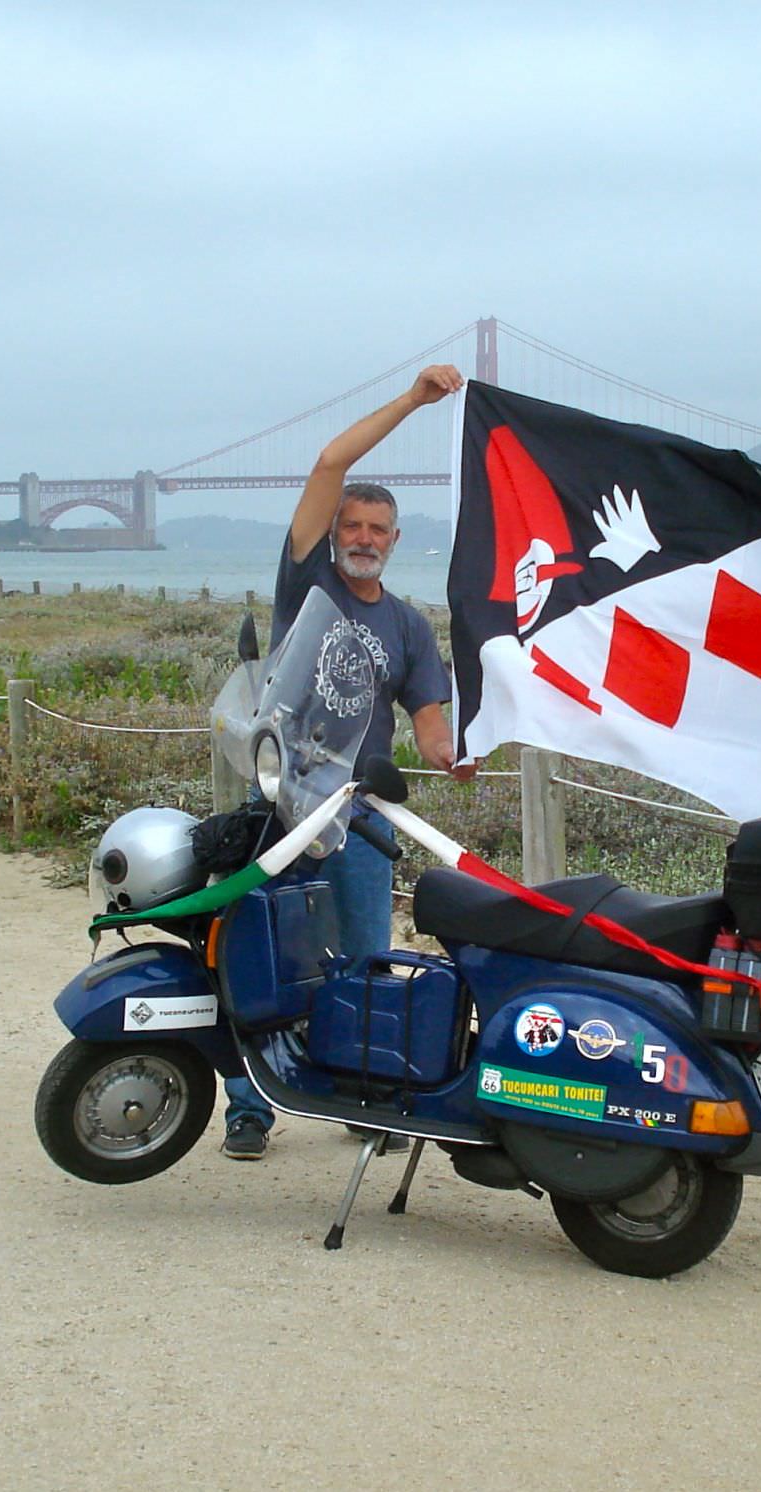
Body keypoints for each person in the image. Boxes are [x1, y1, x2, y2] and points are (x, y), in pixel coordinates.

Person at [222, 363, 473, 1161]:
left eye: (377, 531)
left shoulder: (406, 626)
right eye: (352, 527)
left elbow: (429, 720)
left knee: (362, 959)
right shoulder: (307, 586)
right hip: (281, 805)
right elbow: (329, 463)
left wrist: (451, 754)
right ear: (335, 533)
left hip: (356, 818)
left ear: (395, 543)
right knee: (258, 947)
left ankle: (363, 1098)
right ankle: (248, 1108)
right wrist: (414, 401)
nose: (362, 539)